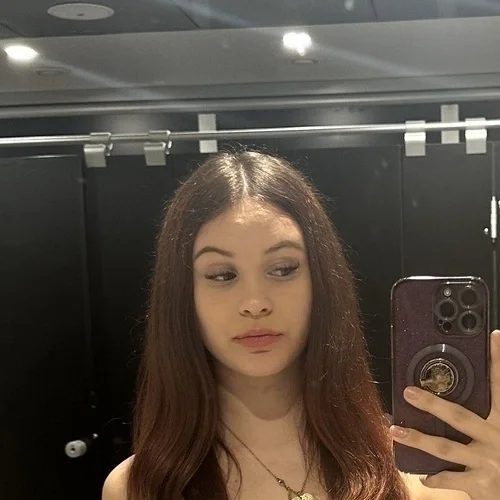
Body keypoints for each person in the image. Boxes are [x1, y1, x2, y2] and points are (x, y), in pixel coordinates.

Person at [102, 148, 499, 500]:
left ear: (321, 282)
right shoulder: (138, 489)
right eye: (222, 275)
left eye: (282, 269)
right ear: (182, 296)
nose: (255, 303)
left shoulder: (421, 479)